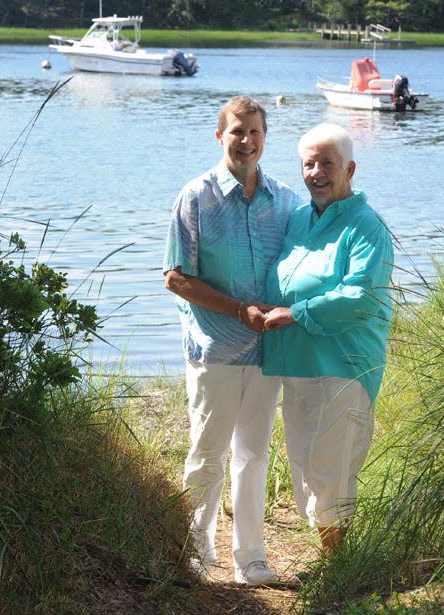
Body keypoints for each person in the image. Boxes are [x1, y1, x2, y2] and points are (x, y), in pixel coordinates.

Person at [162, 95, 302, 585]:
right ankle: (196, 551)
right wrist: (237, 311)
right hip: (215, 348)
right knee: (207, 453)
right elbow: (176, 278)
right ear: (220, 136)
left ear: (266, 138)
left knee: (255, 455)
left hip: (267, 351)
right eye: (237, 132)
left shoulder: (286, 199)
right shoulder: (196, 197)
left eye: (255, 133)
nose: (246, 141)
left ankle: (251, 558)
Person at [262, 123, 394, 555]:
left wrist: (295, 312)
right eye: (309, 163)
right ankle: (332, 559)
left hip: (344, 364)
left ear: (350, 168)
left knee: (330, 469)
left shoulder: (366, 225)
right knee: (304, 467)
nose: (316, 172)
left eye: (327, 163)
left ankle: (338, 568)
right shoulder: (300, 218)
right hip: (296, 362)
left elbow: (360, 297)